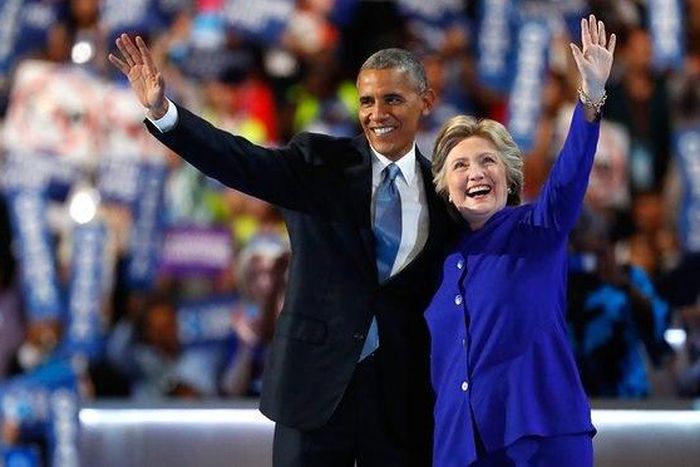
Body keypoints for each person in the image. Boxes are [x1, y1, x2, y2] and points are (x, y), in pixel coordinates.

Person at [109, 37, 455, 466]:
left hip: (401, 402)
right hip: (314, 391)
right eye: (367, 101)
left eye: (392, 99)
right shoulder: (320, 162)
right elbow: (241, 160)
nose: (376, 114)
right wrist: (165, 114)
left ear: (426, 101)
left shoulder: (446, 193)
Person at [426, 15, 615, 466]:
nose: (475, 172)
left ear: (508, 178)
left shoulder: (537, 229)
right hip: (461, 448)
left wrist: (589, 99)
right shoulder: (428, 257)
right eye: (460, 165)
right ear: (442, 186)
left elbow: (568, 180)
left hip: (542, 435)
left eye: (487, 161)